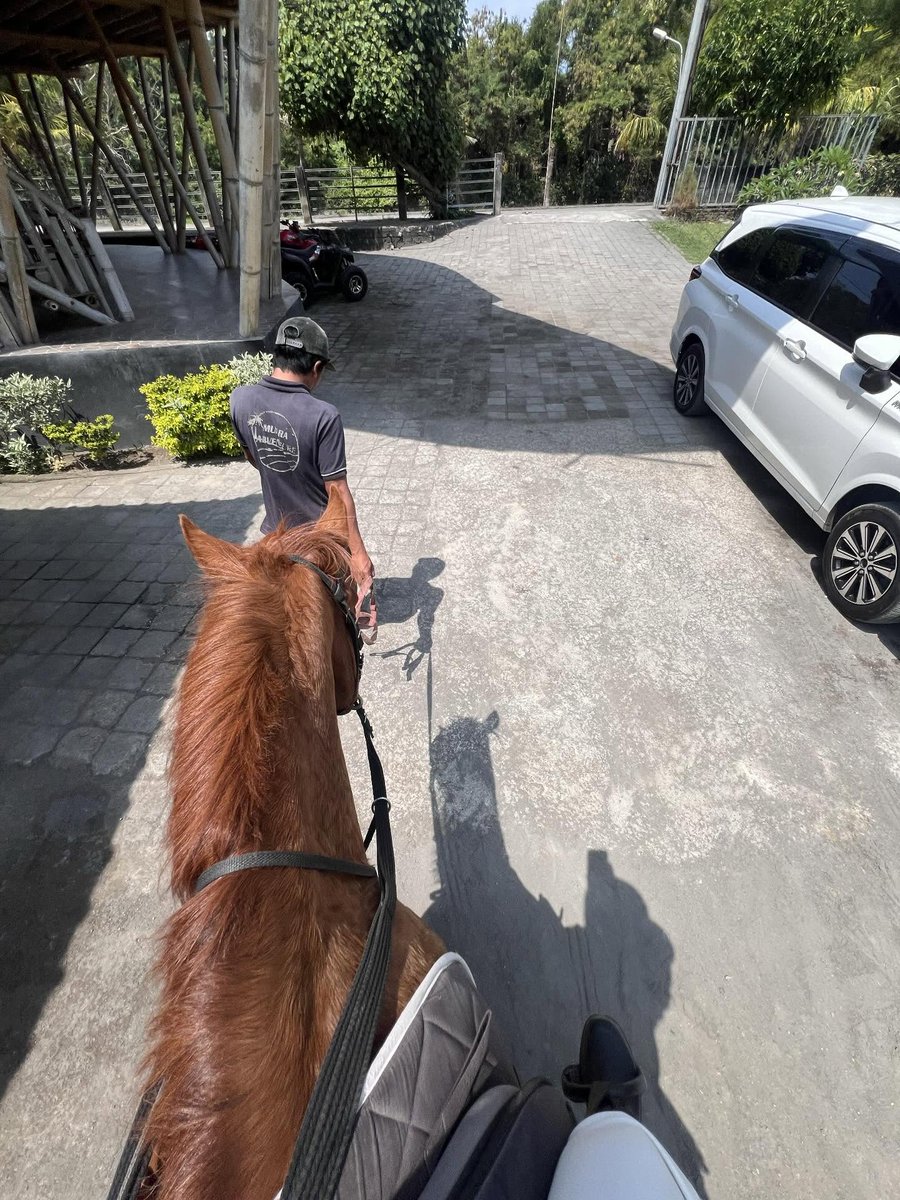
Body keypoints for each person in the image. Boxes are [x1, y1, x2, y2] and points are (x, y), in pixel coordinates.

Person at [229, 316, 375, 607]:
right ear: (317, 368)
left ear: (276, 356)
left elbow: (253, 457)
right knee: (336, 613)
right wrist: (359, 554)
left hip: (276, 534)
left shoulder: (240, 399)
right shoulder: (323, 415)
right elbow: (337, 490)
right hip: (322, 541)